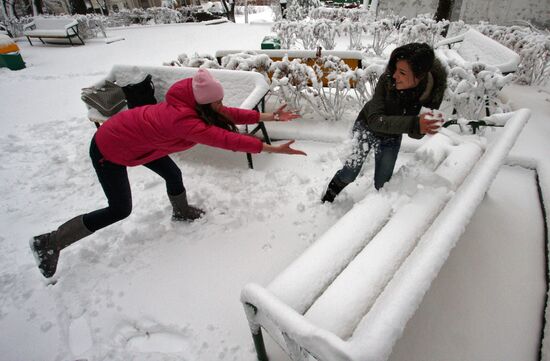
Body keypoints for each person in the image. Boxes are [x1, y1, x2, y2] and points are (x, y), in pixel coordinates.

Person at [30, 68, 305, 279]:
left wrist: (269, 117)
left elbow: (224, 114)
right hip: (109, 149)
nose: (221, 106)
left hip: (140, 143)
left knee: (172, 174)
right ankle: (50, 242)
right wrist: (271, 148)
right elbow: (225, 139)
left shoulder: (191, 101)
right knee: (120, 209)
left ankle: (181, 211)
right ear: (205, 104)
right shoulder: (183, 121)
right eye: (217, 102)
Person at [321, 42, 448, 202]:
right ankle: (327, 198)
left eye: (402, 72)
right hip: (366, 127)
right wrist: (415, 123)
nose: (395, 75)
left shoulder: (430, 93)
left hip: (392, 137)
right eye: (395, 69)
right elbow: (375, 120)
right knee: (350, 172)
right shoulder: (387, 79)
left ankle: (375, 211)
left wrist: (423, 127)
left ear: (420, 76)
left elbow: (416, 134)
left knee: (383, 184)